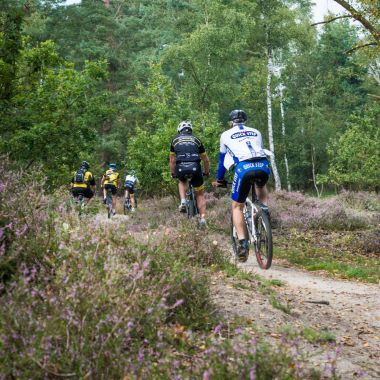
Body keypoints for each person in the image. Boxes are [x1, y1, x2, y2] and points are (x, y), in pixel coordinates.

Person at [213, 110, 271, 262]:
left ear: (231, 122)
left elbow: (222, 161)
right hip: (263, 166)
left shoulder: (225, 135)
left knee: (237, 206)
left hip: (243, 168)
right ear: (245, 121)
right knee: (260, 186)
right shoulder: (256, 132)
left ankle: (243, 244)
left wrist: (220, 179)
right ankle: (264, 210)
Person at [169, 121, 210, 226]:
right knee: (200, 194)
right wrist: (206, 172)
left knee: (181, 181)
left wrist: (173, 173)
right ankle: (203, 219)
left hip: (181, 167)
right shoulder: (197, 140)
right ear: (191, 130)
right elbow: (205, 160)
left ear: (180, 130)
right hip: (195, 167)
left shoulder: (175, 140)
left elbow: (172, 160)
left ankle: (183, 201)